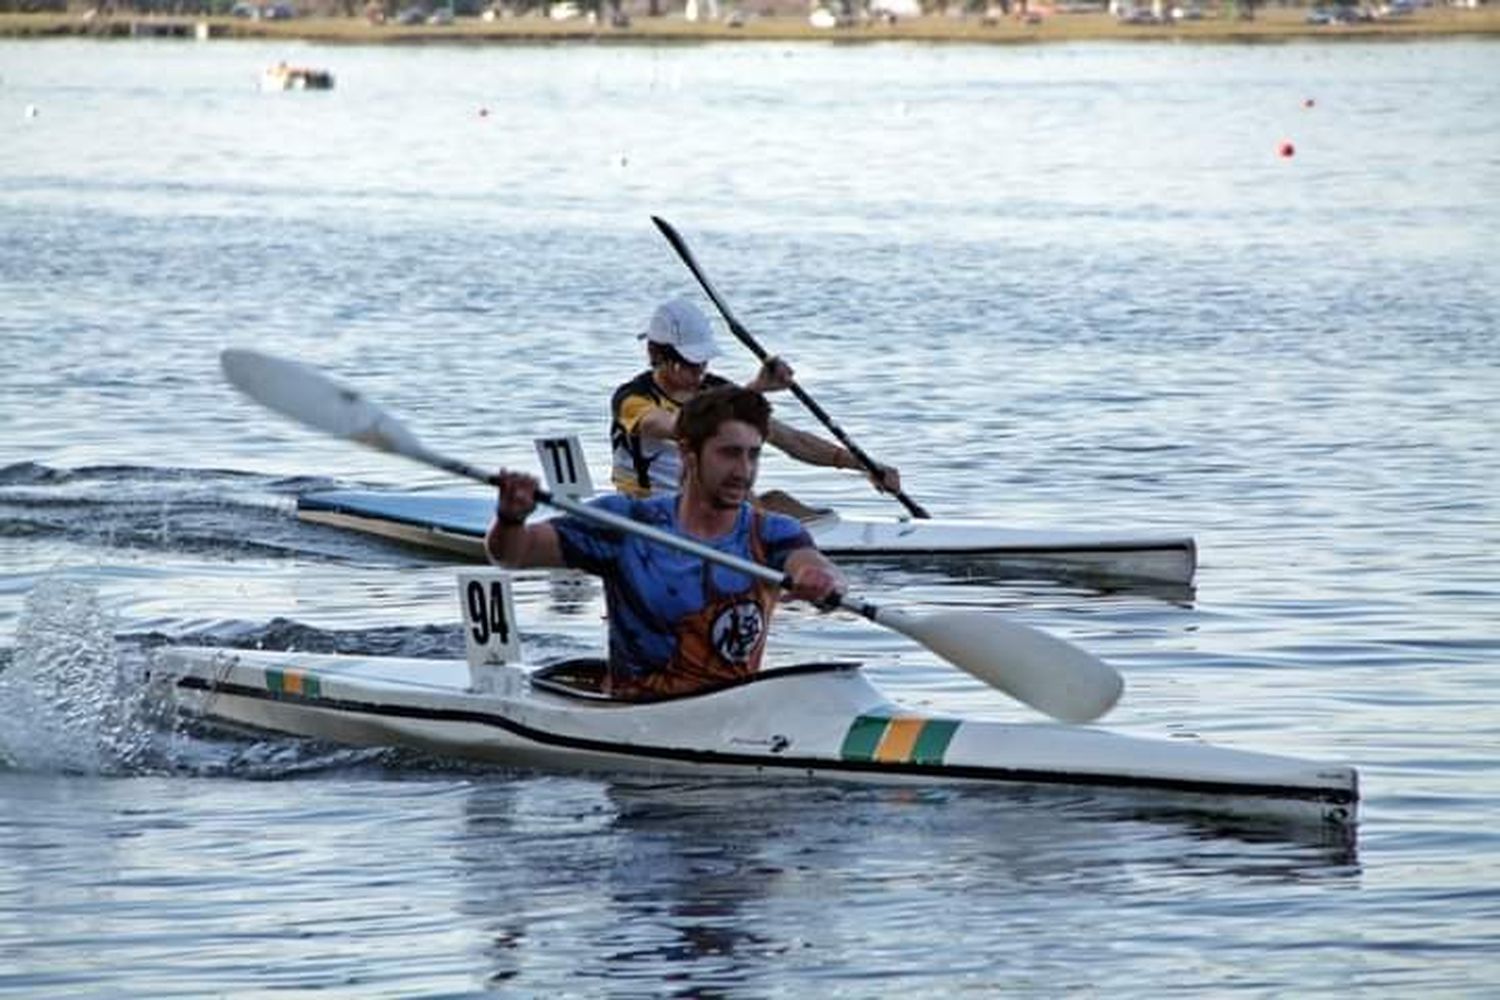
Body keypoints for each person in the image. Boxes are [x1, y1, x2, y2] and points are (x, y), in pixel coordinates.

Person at [487, 384, 846, 701]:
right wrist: (511, 517)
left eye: (753, 455)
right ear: (688, 454)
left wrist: (823, 581)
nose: (744, 471)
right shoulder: (626, 523)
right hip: (633, 715)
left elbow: (816, 566)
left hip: (733, 715)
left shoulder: (771, 532)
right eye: (729, 453)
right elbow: (513, 554)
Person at [609, 297, 902, 519]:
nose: (698, 369)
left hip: (710, 509)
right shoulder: (633, 399)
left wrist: (865, 465)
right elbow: (677, 427)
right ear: (655, 354)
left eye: (703, 360)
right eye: (688, 361)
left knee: (780, 503)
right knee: (755, 505)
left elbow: (790, 439)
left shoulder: (717, 389)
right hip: (649, 515)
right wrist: (754, 390)